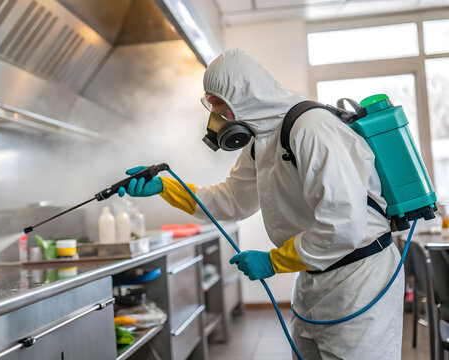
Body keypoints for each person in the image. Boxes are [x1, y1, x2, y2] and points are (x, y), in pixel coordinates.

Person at [118, 49, 403, 359]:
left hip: (359, 279)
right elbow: (231, 201)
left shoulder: (312, 128)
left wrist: (273, 261)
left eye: (217, 103)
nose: (216, 115)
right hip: (313, 279)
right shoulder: (262, 141)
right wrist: (168, 188)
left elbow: (343, 227)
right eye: (210, 104)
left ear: (244, 94)